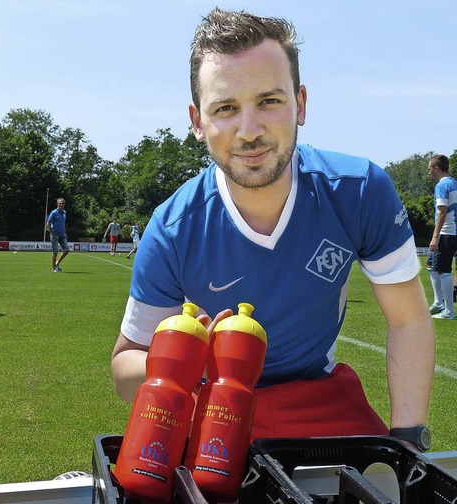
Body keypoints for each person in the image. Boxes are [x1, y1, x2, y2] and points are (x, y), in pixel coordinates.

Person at [111, 8, 435, 451]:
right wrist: (186, 360)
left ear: (299, 104)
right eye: (225, 108)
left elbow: (409, 318)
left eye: (269, 101)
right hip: (213, 406)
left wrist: (408, 439)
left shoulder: (360, 191)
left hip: (320, 397)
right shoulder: (171, 228)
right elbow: (125, 363)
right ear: (197, 122)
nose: (249, 131)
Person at [426, 154, 457, 320]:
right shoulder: (454, 183)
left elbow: (442, 212)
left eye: (430, 169)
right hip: (453, 232)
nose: (429, 172)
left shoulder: (442, 185)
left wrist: (434, 237)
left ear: (436, 168)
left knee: (443, 270)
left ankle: (449, 312)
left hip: (446, 233)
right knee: (431, 265)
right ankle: (438, 303)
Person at [46, 198, 69, 272]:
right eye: (60, 203)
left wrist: (65, 233)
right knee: (55, 252)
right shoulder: (53, 213)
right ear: (57, 204)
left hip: (62, 235)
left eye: (63, 203)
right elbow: (48, 224)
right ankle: (53, 269)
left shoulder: (65, 212)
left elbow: (63, 224)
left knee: (67, 250)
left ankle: (57, 263)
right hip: (54, 235)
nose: (61, 204)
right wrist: (52, 234)